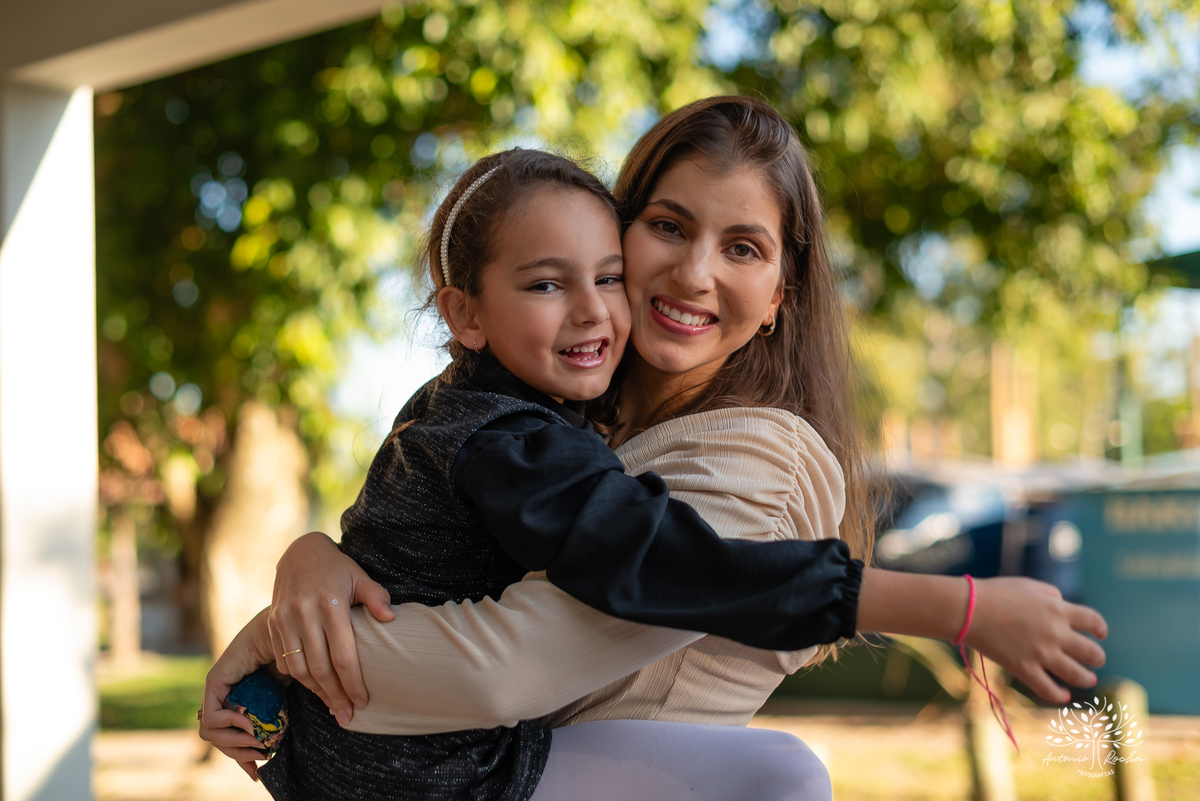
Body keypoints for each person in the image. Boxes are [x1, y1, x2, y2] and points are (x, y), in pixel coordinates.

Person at [201, 98, 1107, 800]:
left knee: (785, 775)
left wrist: (283, 647)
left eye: (743, 247)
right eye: (668, 226)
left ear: (782, 293)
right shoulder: (534, 422)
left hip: (440, 766)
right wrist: (311, 563)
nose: (693, 271)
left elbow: (522, 655)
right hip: (422, 773)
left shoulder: (755, 456)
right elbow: (410, 554)